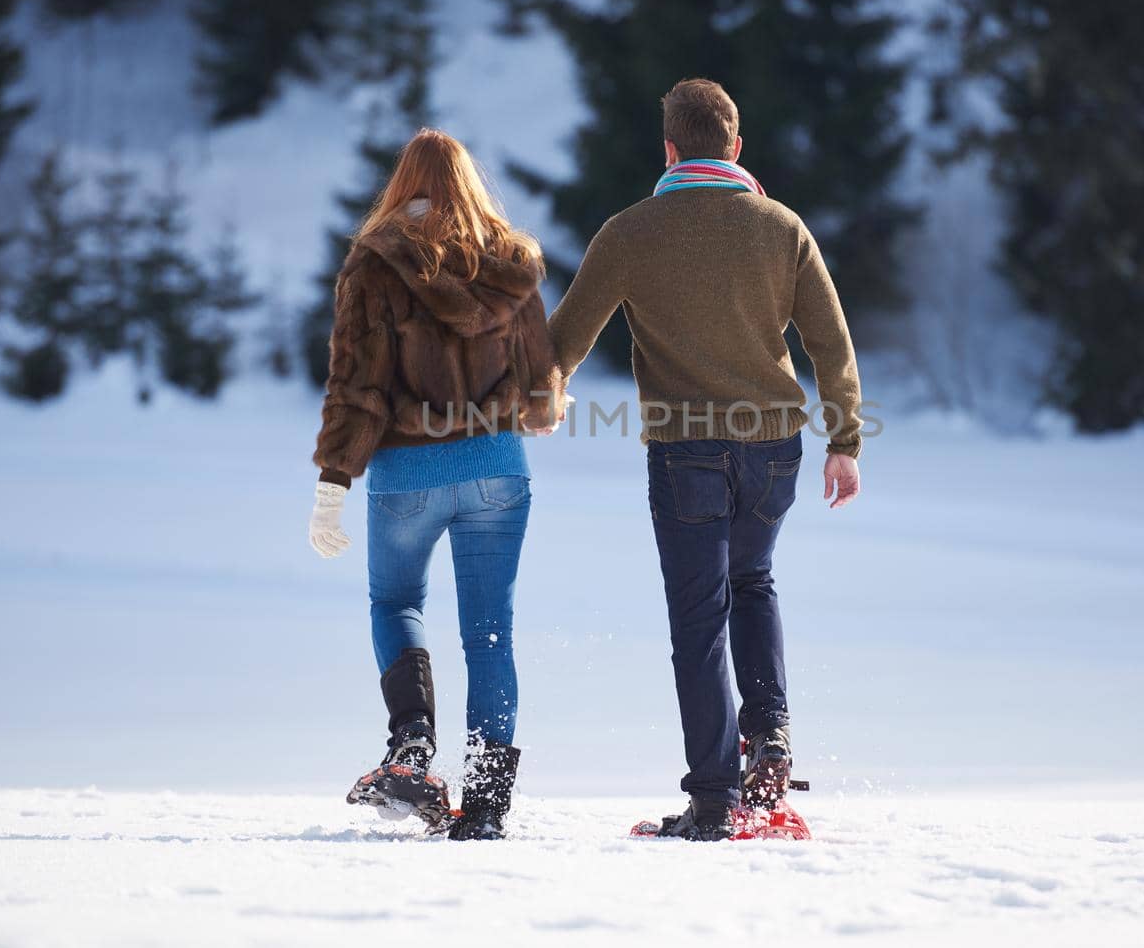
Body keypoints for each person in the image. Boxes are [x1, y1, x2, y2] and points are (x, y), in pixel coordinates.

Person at [547, 78, 863, 841]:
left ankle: (716, 799)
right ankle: (771, 739)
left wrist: (537, 396)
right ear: (736, 147)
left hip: (686, 452)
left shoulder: (629, 232)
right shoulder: (783, 228)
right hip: (776, 453)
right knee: (752, 581)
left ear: (669, 150)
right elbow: (829, 342)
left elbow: (563, 343)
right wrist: (846, 440)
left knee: (700, 619)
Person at [307, 129, 564, 841]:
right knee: (490, 635)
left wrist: (334, 482)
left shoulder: (376, 262)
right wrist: (536, 409)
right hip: (497, 472)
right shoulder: (509, 261)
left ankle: (413, 746)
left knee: (395, 601)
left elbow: (355, 385)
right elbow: (542, 386)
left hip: (407, 472)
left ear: (402, 184)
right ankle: (485, 807)